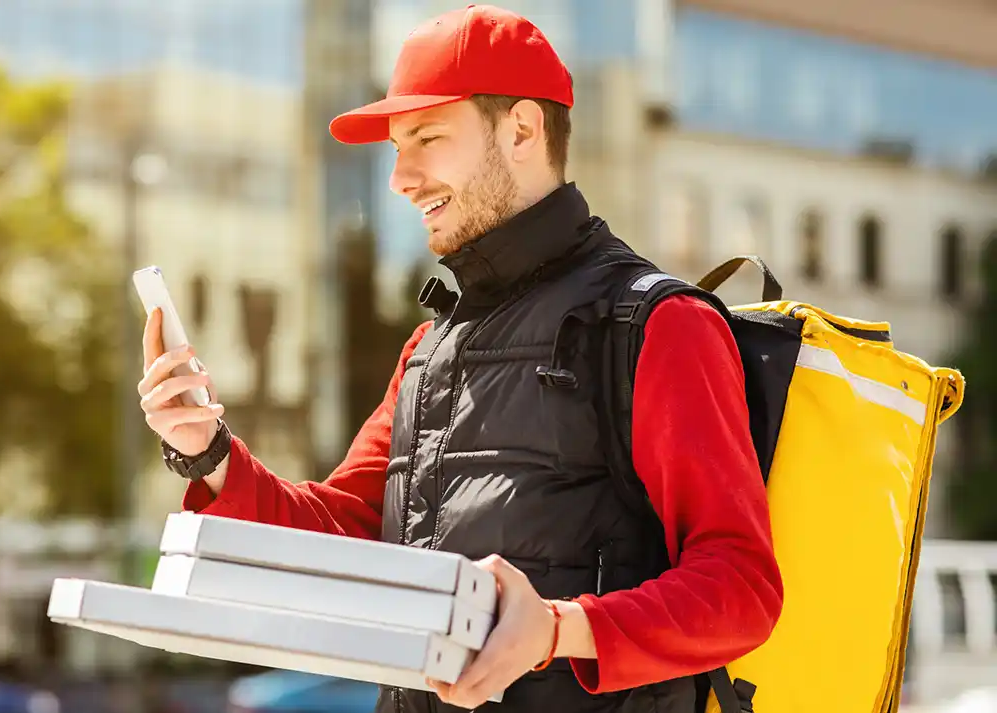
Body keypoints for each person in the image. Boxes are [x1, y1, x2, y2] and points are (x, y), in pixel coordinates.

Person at [138, 5, 783, 712]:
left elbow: (742, 588)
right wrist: (208, 452)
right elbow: (343, 534)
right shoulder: (429, 349)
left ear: (522, 130)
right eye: (395, 146)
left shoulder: (656, 324)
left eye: (427, 137)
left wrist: (558, 629)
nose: (400, 178)